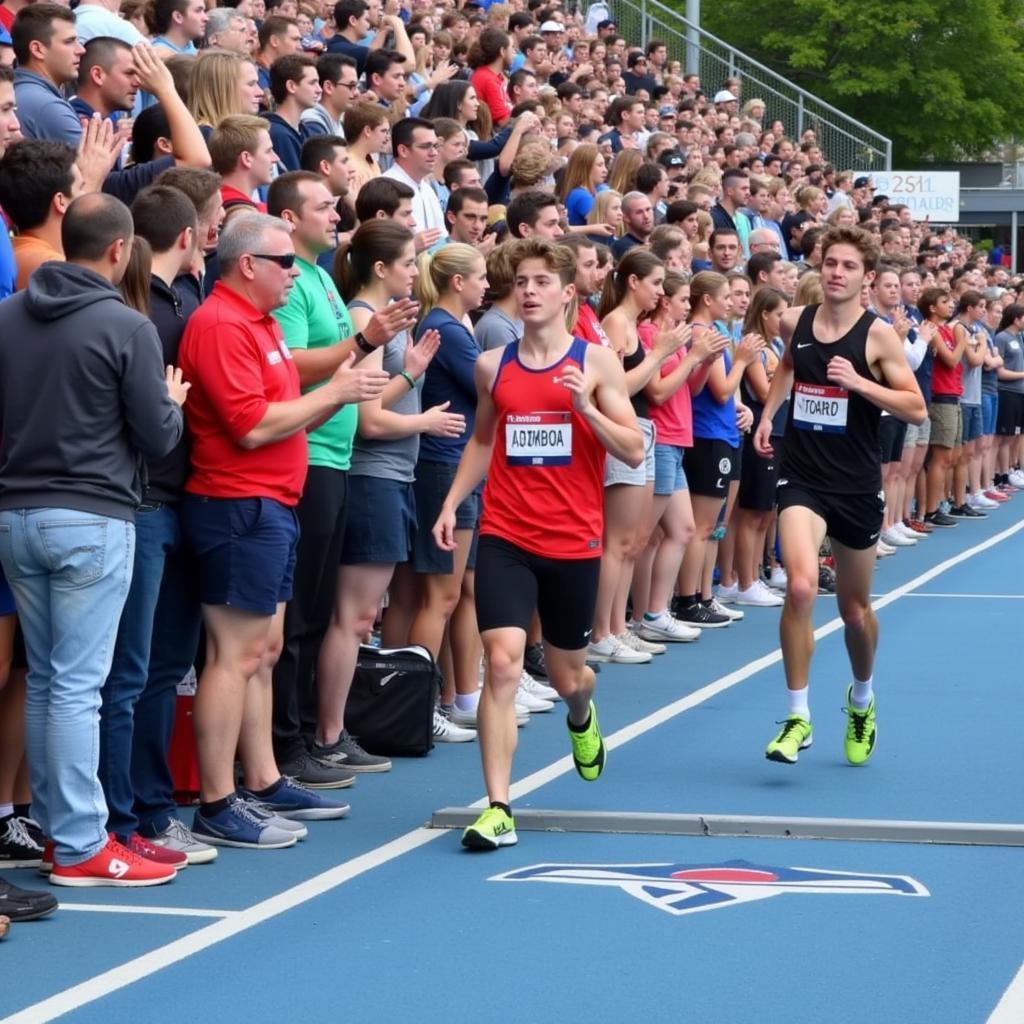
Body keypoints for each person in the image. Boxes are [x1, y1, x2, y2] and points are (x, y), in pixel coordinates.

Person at [0, 193, 188, 886]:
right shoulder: (127, 326)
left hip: (17, 514)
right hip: (92, 517)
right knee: (74, 685)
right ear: (118, 250)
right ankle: (80, 843)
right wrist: (172, 403)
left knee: (50, 682)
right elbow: (159, 437)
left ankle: (65, 832)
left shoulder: (7, 316)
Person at [433, 238, 644, 850]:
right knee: (499, 662)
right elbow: (481, 442)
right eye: (521, 281)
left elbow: (633, 449)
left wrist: (585, 409)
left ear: (566, 294)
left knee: (567, 674)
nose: (528, 291)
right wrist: (451, 503)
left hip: (573, 540)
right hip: (505, 533)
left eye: (541, 282)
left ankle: (582, 714)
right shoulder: (492, 365)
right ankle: (498, 807)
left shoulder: (596, 364)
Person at [179, 213, 359, 849]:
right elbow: (251, 426)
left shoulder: (256, 323)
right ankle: (217, 800)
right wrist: (335, 394)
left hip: (268, 505)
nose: (295, 271)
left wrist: (336, 386)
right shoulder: (222, 324)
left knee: (264, 651)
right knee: (235, 655)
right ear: (247, 264)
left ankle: (260, 778)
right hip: (237, 504)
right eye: (285, 262)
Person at [754, 226, 927, 767]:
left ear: (867, 278)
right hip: (802, 476)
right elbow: (787, 364)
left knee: (854, 612)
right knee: (802, 588)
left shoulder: (878, 337)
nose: (836, 273)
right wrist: (767, 414)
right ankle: (797, 715)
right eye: (830, 263)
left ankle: (861, 696)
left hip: (855, 484)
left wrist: (860, 384)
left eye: (849, 266)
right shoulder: (794, 321)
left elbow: (915, 408)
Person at [266, 172, 410, 784]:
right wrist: (363, 340)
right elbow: (294, 368)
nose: (336, 213)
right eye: (324, 206)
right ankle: (291, 743)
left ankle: (310, 738)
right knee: (297, 617)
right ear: (290, 219)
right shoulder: (296, 285)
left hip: (334, 457)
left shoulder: (323, 276)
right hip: (310, 455)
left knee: (318, 609)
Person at [314, 221, 463, 773]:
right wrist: (421, 412)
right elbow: (370, 421)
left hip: (391, 478)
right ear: (380, 269)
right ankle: (330, 734)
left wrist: (410, 373)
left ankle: (333, 729)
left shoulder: (384, 322)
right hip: (373, 476)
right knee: (353, 618)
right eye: (406, 263)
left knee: (361, 617)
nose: (413, 272)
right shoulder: (363, 320)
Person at [589, 249, 689, 665]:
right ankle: (602, 631)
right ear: (633, 282)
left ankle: (619, 626)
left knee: (633, 542)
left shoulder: (634, 324)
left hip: (641, 430)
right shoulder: (615, 322)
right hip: (626, 430)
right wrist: (658, 355)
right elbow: (618, 387)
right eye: (655, 283)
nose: (660, 292)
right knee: (618, 542)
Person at [12, 3, 85, 145]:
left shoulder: (18, 89)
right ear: (38, 50)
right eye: (69, 42)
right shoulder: (47, 107)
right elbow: (91, 167)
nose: (81, 50)